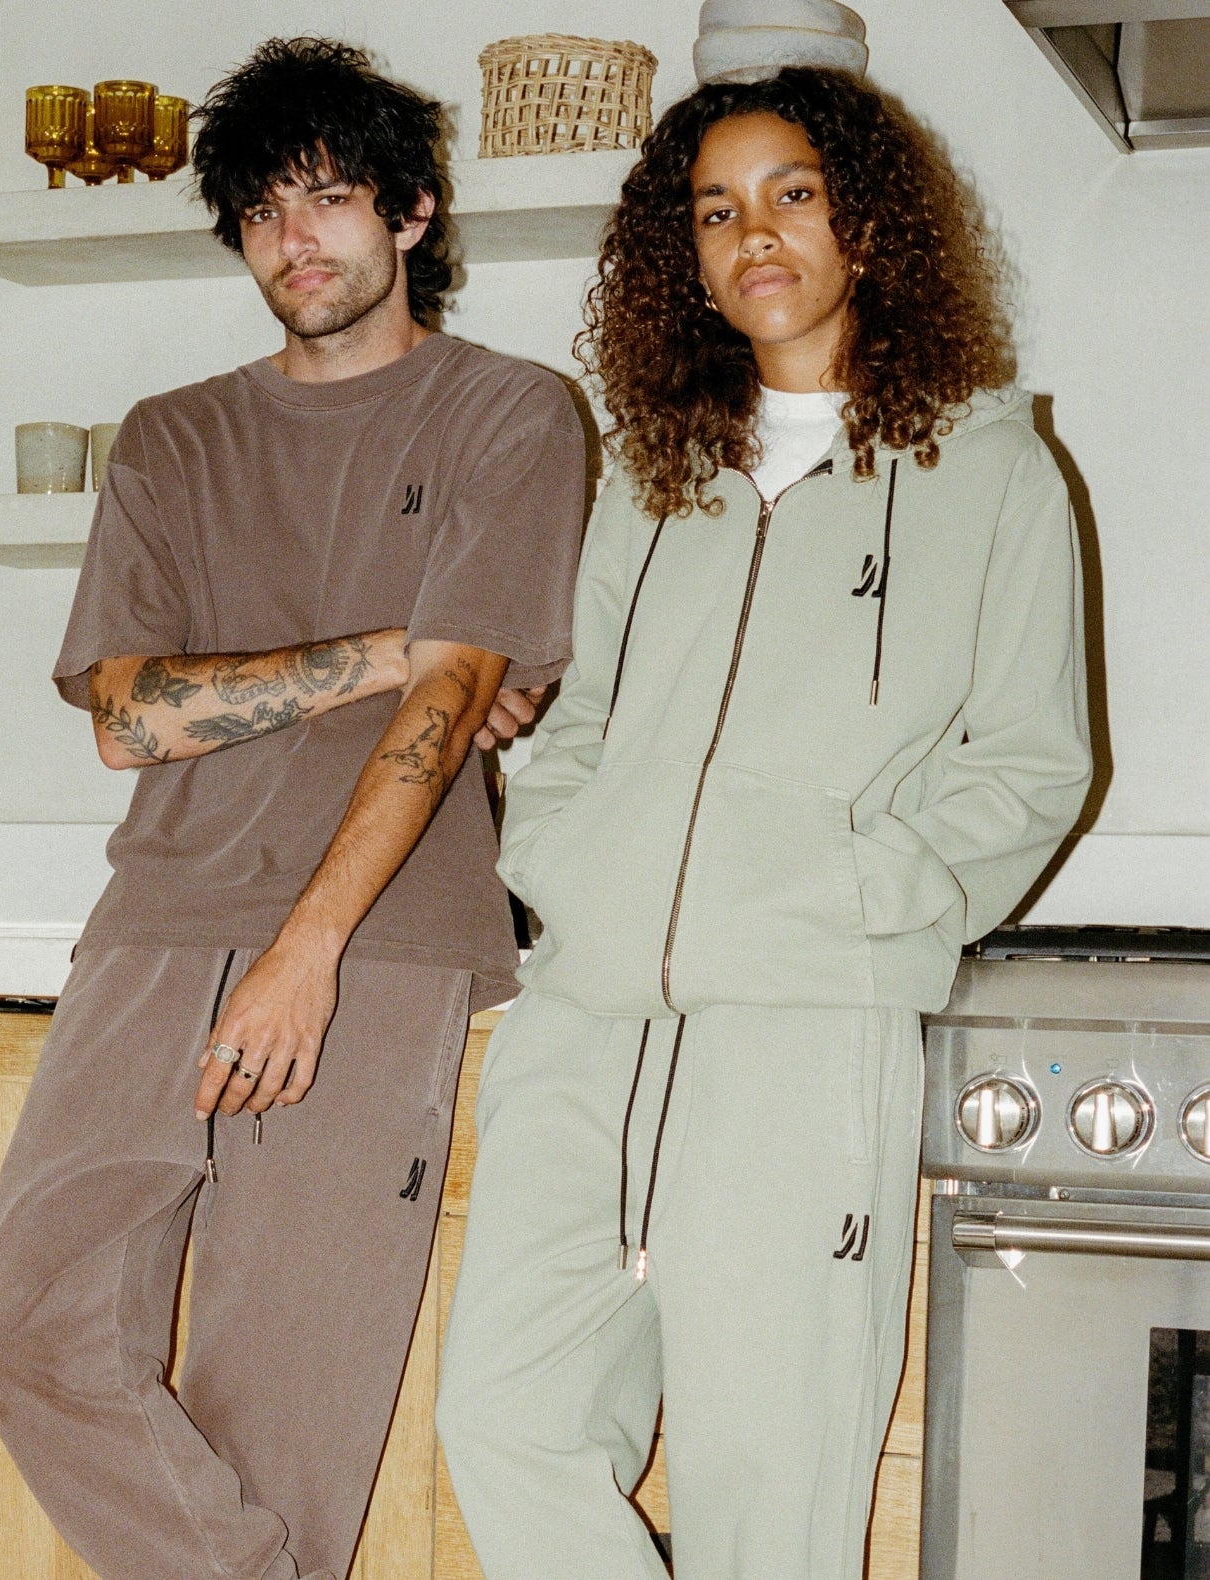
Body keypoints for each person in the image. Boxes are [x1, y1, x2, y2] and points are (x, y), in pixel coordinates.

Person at [434, 6, 1093, 1578]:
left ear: (863, 220)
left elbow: (1029, 765)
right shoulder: (656, 470)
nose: (755, 236)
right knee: (506, 1425)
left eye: (791, 194)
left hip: (804, 1034)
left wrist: (863, 899)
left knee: (772, 1495)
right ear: (690, 258)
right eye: (716, 212)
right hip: (592, 1022)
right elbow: (574, 719)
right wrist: (574, 868)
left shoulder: (994, 473)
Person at [0, 37, 586, 1580]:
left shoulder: (513, 416)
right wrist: (396, 644)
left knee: (284, 1409)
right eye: (259, 213)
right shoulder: (174, 436)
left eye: (327, 199)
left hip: (378, 948)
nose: (291, 242)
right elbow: (131, 720)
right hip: (157, 925)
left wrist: (309, 948)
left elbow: (447, 724)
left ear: (415, 212)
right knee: (28, 1333)